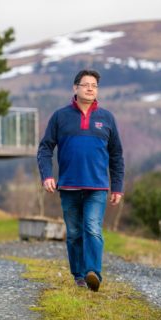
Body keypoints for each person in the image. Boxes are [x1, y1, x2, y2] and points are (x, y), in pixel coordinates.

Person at [37, 69, 124, 292]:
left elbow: (116, 155)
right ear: (75, 88)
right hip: (68, 185)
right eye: (85, 84)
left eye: (94, 85)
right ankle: (78, 275)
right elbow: (45, 148)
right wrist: (47, 175)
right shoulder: (60, 116)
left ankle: (93, 272)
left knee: (93, 228)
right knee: (74, 233)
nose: (90, 88)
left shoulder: (107, 118)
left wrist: (117, 186)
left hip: (97, 187)